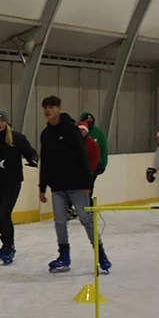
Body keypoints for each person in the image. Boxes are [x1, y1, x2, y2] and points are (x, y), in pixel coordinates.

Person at [38, 95, 111, 274]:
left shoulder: (71, 130)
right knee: (60, 221)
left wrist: (87, 181)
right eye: (45, 107)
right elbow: (45, 161)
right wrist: (42, 186)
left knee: (86, 220)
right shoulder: (46, 134)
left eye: (52, 106)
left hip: (77, 185)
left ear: (59, 108)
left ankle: (101, 255)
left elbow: (82, 156)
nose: (48, 110)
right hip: (57, 186)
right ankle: (64, 255)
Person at [0, 109, 38, 265]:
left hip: (12, 182)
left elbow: (30, 152)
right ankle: (5, 244)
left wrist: (33, 159)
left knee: (4, 214)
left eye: (2, 121)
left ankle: (10, 246)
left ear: (7, 123)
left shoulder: (17, 138)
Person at [79, 111, 109, 192]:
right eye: (87, 121)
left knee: (89, 184)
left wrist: (103, 164)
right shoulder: (76, 133)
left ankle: (88, 201)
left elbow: (103, 149)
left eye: (91, 120)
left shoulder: (99, 133)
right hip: (80, 164)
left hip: (94, 164)